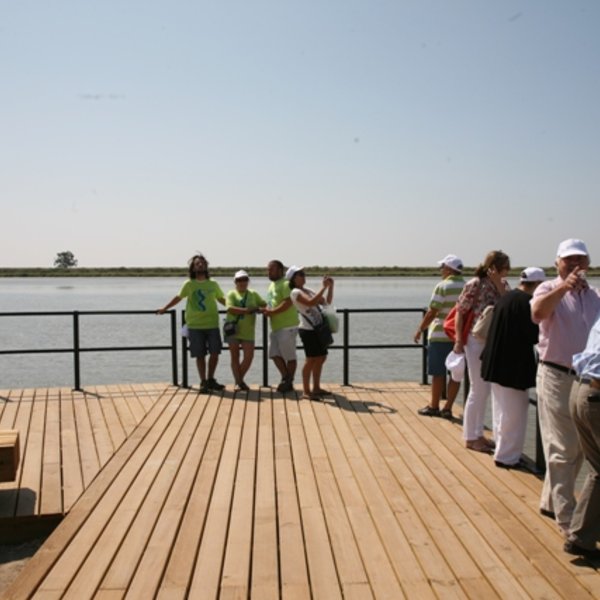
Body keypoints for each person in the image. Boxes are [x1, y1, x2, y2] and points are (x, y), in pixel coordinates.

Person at [531, 238, 600, 536]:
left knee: (581, 449)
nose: (575, 265)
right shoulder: (547, 288)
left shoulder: (595, 296)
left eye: (580, 260)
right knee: (562, 448)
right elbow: (537, 314)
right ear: (557, 262)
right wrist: (564, 287)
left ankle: (550, 500)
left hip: (585, 380)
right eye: (568, 260)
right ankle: (568, 518)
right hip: (556, 375)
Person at [480, 267, 545, 468]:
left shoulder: (507, 298)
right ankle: (507, 457)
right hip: (512, 366)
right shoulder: (527, 303)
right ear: (538, 284)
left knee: (501, 410)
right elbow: (534, 335)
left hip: (495, 363)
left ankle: (502, 448)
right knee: (515, 414)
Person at [453, 250, 511, 452]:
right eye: (505, 268)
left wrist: (498, 284)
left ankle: (478, 433)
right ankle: (471, 436)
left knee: (487, 388)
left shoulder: (503, 286)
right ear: (494, 267)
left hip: (495, 341)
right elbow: (460, 312)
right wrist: (459, 340)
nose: (508, 272)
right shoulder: (474, 283)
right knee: (479, 389)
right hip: (476, 339)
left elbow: (509, 306)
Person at [157, 253, 226, 393]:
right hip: (195, 325)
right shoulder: (188, 284)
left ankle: (211, 379)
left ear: (206, 266)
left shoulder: (213, 283)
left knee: (215, 353)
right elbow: (179, 297)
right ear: (193, 268)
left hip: (212, 323)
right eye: (197, 263)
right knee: (199, 354)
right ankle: (203, 382)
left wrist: (236, 309)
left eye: (202, 263)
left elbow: (221, 299)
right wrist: (165, 308)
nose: (200, 265)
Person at [565, 312, 600, 559]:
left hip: (580, 389)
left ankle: (580, 537)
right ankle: (580, 536)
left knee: (597, 468)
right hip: (596, 394)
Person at [414, 254, 465, 418]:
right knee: (456, 374)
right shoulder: (467, 286)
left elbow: (432, 311)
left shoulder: (442, 286)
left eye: (442, 267)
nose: (441, 270)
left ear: (449, 269)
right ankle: (448, 407)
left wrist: (420, 329)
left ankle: (434, 406)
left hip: (440, 333)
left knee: (438, 373)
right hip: (459, 336)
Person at [287, 266, 334, 400]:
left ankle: (316, 388)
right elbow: (310, 302)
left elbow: (327, 303)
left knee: (321, 357)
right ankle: (306, 391)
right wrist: (323, 287)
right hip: (307, 330)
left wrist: (330, 287)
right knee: (311, 359)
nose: (304, 275)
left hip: (318, 328)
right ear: (293, 279)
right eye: (300, 274)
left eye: (303, 273)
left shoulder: (308, 290)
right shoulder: (295, 292)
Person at [224, 270, 266, 392]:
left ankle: (238, 381)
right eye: (239, 280)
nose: (242, 282)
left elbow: (264, 304)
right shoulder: (231, 293)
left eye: (245, 280)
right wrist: (248, 310)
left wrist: (259, 309)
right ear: (235, 282)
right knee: (235, 357)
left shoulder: (253, 294)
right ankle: (239, 382)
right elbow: (230, 308)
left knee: (249, 357)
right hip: (232, 329)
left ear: (248, 281)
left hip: (248, 330)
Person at [263, 260, 299, 392]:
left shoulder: (286, 284)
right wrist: (266, 309)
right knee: (273, 353)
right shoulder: (272, 285)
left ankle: (287, 382)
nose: (268, 272)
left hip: (287, 326)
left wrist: (272, 312)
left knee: (290, 357)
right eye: (268, 269)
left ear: (280, 270)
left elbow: (288, 302)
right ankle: (286, 379)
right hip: (276, 326)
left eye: (271, 269)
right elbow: (271, 302)